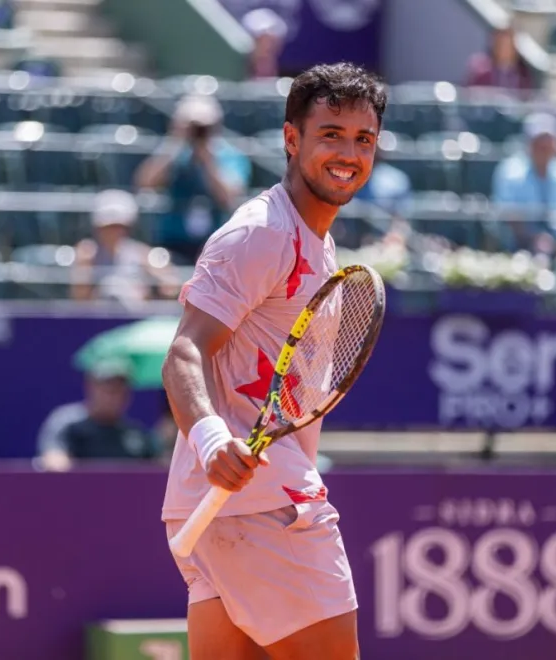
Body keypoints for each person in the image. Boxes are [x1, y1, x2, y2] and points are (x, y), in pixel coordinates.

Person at [160, 62, 385, 659]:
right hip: (262, 504)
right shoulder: (261, 233)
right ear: (292, 139)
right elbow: (184, 351)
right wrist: (211, 439)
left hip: (225, 508)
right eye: (331, 133)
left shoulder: (317, 242)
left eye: (363, 139)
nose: (349, 153)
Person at [134, 94, 252, 264]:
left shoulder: (229, 155)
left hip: (217, 242)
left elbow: (229, 197)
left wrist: (207, 159)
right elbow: (145, 183)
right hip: (173, 242)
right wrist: (175, 141)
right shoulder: (173, 153)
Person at [490, 112, 556, 267]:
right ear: (528, 144)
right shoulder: (509, 172)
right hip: (517, 246)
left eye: (549, 142)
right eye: (539, 142)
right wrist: (535, 239)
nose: (544, 147)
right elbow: (509, 218)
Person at [35, 359, 160, 472]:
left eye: (120, 389)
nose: (114, 396)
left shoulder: (138, 434)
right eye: (108, 388)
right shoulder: (66, 423)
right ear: (90, 387)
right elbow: (54, 461)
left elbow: (157, 469)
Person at [70, 189, 178, 303]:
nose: (114, 232)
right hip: (98, 315)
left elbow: (170, 288)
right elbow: (80, 297)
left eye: (118, 226)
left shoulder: (141, 253)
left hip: (135, 315)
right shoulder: (87, 252)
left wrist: (158, 282)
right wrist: (84, 267)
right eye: (108, 227)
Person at [464, 25, 534, 92]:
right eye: (501, 45)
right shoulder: (481, 71)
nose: (504, 50)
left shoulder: (523, 75)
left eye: (507, 46)